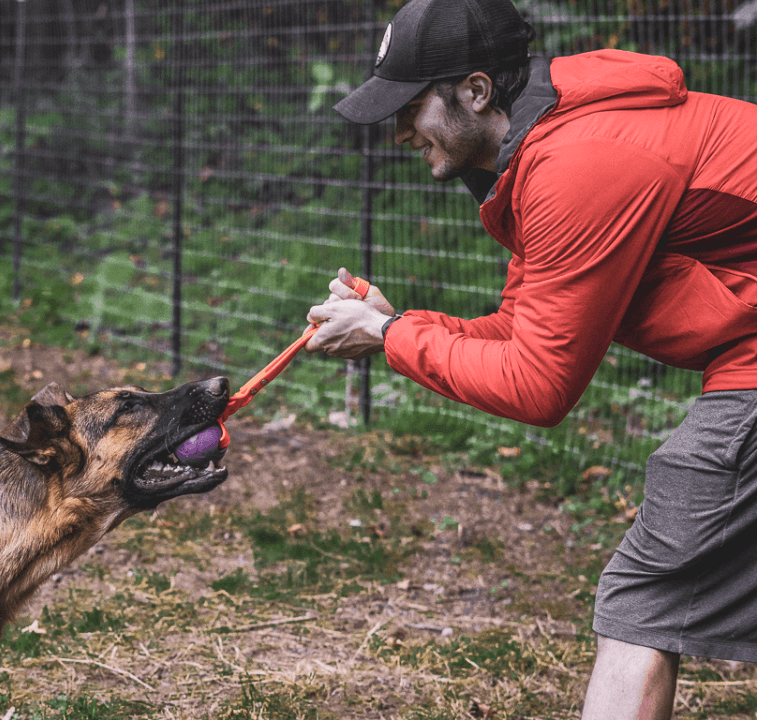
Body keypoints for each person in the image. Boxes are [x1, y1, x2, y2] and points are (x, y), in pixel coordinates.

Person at [305, 0, 757, 717]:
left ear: (477, 92)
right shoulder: (549, 151)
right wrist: (394, 325)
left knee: (644, 593)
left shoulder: (578, 166)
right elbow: (520, 331)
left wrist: (390, 340)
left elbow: (539, 386)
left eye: (410, 106)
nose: (396, 133)